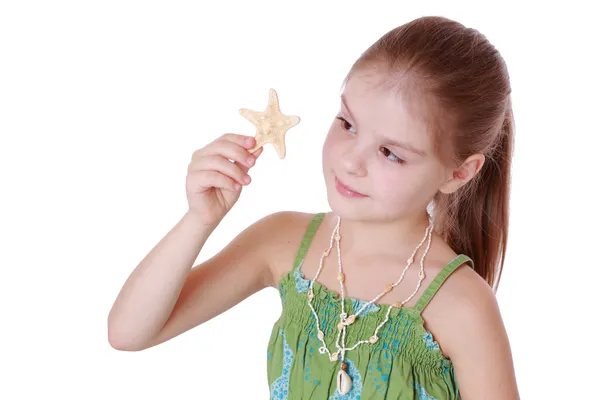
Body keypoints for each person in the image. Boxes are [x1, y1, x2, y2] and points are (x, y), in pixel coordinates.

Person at [108, 15, 520, 399]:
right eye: (347, 124)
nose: (349, 162)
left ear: (459, 173)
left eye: (390, 153)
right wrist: (199, 220)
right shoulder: (284, 243)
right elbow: (129, 332)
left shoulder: (461, 305)